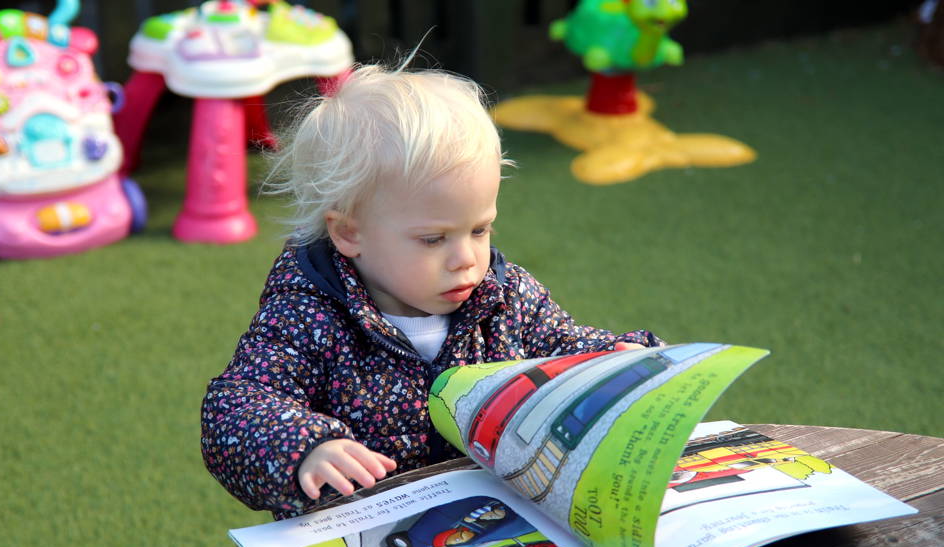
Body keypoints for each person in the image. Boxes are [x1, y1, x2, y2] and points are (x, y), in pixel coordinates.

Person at [201, 59, 664, 519]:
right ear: (348, 233)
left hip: (487, 523)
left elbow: (565, 348)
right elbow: (236, 406)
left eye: (479, 230)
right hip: (363, 534)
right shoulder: (307, 316)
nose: (466, 259)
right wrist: (306, 448)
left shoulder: (505, 297)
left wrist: (619, 361)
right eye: (433, 239)